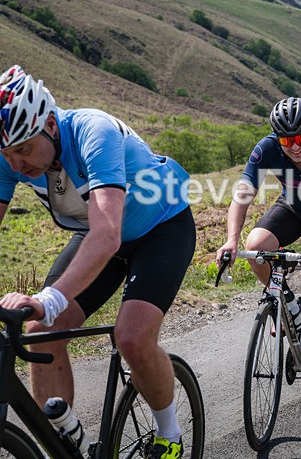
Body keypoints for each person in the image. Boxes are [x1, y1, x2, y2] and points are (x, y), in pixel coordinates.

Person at [0, 66, 195, 458]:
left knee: (132, 337)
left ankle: (169, 434)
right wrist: (47, 309)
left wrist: (50, 297)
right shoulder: (11, 158)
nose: (17, 166)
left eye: (22, 149)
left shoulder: (94, 131)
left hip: (161, 226)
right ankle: (67, 447)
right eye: (6, 154)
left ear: (50, 123)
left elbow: (107, 234)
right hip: (97, 234)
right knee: (41, 329)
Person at [216, 97, 301, 399]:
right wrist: (231, 240)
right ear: (278, 137)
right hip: (293, 207)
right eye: (287, 140)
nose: (295, 146)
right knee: (256, 245)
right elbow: (242, 195)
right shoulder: (266, 148)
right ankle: (284, 302)